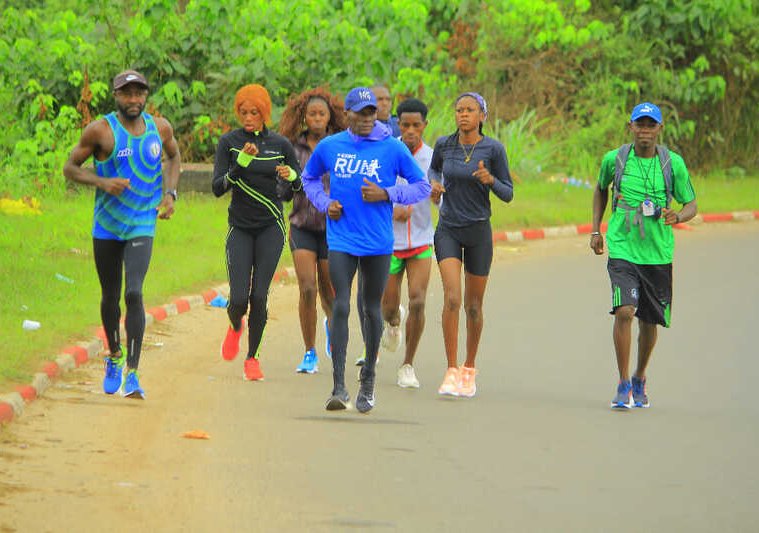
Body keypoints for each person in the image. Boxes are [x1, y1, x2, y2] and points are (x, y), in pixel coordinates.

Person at [302, 87, 431, 413]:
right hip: (342, 239)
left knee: (371, 309)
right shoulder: (331, 146)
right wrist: (325, 203)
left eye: (371, 112)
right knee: (341, 305)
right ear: (347, 114)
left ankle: (368, 379)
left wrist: (387, 194)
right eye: (360, 113)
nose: (366, 118)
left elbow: (422, 186)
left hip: (377, 242)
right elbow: (309, 178)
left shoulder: (392, 147)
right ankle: (338, 387)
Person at [63, 69, 181, 399]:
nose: (133, 99)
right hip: (108, 226)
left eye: (139, 93)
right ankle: (114, 355)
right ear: (116, 96)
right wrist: (102, 182)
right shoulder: (100, 131)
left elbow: (174, 157)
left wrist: (170, 194)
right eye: (127, 93)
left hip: (143, 222)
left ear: (146, 96)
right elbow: (70, 168)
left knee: (134, 293)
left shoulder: (160, 128)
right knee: (110, 295)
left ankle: (133, 372)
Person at [591, 102, 697, 409]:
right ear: (631, 127)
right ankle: (623, 383)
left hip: (657, 253)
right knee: (625, 311)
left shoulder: (673, 164)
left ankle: (639, 376)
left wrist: (678, 216)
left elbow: (691, 204)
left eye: (651, 125)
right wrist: (596, 230)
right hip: (622, 246)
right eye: (640, 124)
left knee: (649, 322)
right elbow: (600, 189)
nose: (645, 131)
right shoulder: (615, 159)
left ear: (660, 129)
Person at [212, 84, 302, 381]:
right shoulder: (229, 142)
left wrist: (292, 177)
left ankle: (252, 358)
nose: (248, 118)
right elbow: (217, 188)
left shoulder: (280, 145)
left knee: (259, 296)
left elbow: (296, 188)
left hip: (270, 227)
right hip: (240, 227)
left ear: (264, 114)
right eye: (243, 112)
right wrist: (240, 164)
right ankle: (235, 324)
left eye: (254, 112)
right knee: (239, 298)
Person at [428, 92, 513, 398]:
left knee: (473, 306)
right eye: (459, 110)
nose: (463, 115)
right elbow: (434, 169)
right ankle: (451, 370)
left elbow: (508, 193)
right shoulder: (444, 145)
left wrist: (490, 180)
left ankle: (469, 368)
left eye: (470, 110)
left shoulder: (494, 149)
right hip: (448, 229)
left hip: (478, 232)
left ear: (482, 116)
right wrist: (434, 184)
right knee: (452, 298)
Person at [278, 87, 347, 374]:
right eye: (312, 114)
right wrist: (285, 179)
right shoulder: (293, 149)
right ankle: (309, 352)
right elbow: (284, 193)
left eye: (322, 114)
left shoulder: (341, 146)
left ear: (330, 117)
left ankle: (332, 328)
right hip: (302, 225)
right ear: (303, 117)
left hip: (333, 228)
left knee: (329, 291)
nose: (317, 119)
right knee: (307, 288)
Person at [379, 98, 435, 389]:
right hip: (389, 243)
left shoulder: (433, 158)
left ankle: (408, 365)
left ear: (425, 125)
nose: (411, 131)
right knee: (388, 307)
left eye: (416, 125)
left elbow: (442, 198)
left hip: (422, 240)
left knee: (418, 300)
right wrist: (393, 210)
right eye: (405, 125)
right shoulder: (386, 154)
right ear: (397, 125)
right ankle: (393, 321)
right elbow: (371, 193)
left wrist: (439, 195)